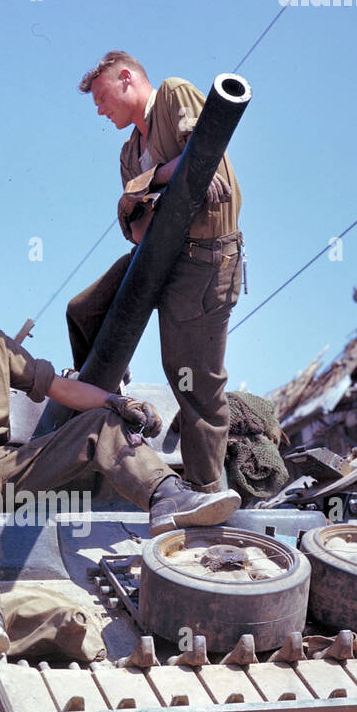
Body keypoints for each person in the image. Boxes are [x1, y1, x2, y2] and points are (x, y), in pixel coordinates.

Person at [0, 239, 240, 662]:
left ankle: (166, 497)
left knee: (99, 424)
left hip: (4, 463)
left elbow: (56, 386)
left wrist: (113, 403)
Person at [67, 51, 244, 493]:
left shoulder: (172, 94)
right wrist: (156, 182)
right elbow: (134, 222)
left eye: (103, 98)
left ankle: (206, 490)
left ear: (127, 78)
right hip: (157, 257)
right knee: (82, 310)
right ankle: (105, 399)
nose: (101, 111)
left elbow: (199, 158)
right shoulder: (130, 153)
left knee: (194, 381)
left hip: (204, 260)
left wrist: (148, 187)